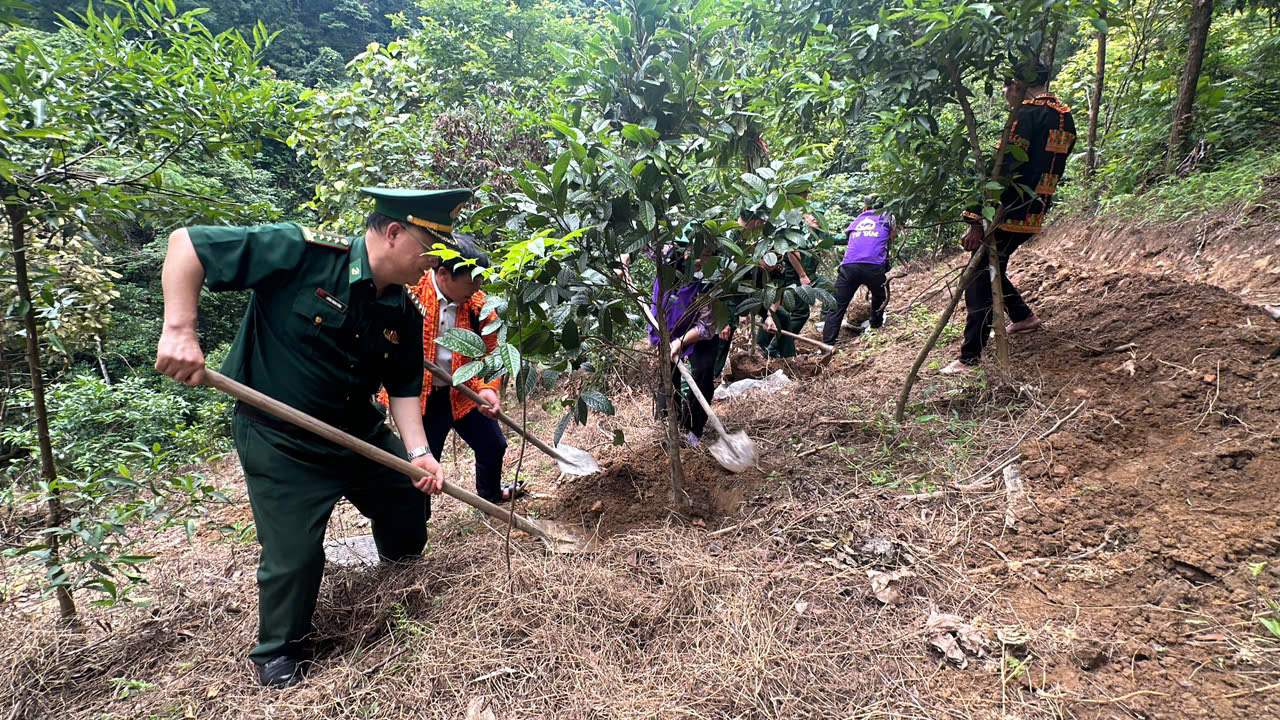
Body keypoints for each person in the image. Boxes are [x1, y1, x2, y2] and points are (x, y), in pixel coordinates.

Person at [154, 186, 471, 688]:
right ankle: (278, 651)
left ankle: (397, 570)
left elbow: (405, 387)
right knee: (296, 554)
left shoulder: (404, 313)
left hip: (356, 431)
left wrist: (419, 455)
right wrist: (179, 329)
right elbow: (187, 245)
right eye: (433, 252)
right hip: (281, 437)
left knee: (407, 500)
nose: (434, 266)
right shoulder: (301, 252)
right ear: (394, 233)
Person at [941, 60, 1076, 375]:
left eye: (1006, 86)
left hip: (1007, 208)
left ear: (1018, 84)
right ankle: (1023, 317)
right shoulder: (1065, 117)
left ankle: (970, 357)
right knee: (992, 265)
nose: (1004, 93)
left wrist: (976, 217)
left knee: (978, 274)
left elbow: (1004, 168)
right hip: (1035, 208)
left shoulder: (1026, 116)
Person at [376, 234, 518, 504]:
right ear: (442, 274)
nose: (473, 292)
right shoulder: (409, 294)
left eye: (478, 285)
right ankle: (417, 519)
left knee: (494, 446)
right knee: (425, 466)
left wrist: (488, 389)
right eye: (468, 284)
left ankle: (490, 495)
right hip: (421, 399)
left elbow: (494, 349)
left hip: (464, 392)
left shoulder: (478, 306)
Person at [622, 244, 719, 447]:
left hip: (698, 333)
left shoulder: (711, 283)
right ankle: (666, 424)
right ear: (686, 253)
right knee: (668, 374)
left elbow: (706, 328)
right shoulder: (668, 258)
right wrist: (625, 257)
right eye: (698, 254)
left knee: (703, 372)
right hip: (669, 327)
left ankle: (692, 430)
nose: (702, 261)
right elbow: (644, 241)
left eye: (708, 254)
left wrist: (681, 342)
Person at [821, 194, 895, 344]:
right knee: (878, 296)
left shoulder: (858, 219)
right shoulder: (888, 216)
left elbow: (851, 237)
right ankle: (875, 326)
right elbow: (892, 236)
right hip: (873, 266)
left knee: (837, 305)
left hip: (849, 266)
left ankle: (827, 344)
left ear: (865, 208)